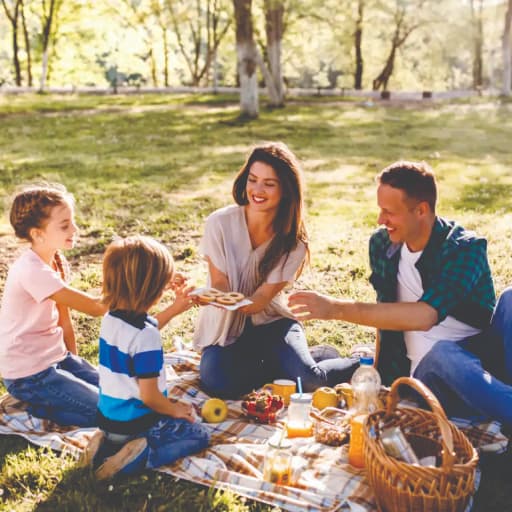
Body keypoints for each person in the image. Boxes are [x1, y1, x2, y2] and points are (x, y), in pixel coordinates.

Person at [289, 161, 512, 428]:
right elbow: (384, 313)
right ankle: (499, 404)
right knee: (443, 354)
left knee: (509, 298)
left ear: (421, 210)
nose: (381, 220)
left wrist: (335, 309)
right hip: (427, 379)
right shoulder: (382, 244)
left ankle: (498, 399)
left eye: (389, 212)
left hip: (479, 362)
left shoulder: (463, 249)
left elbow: (425, 315)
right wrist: (379, 376)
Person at [193, 142, 360, 399]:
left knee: (309, 380)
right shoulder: (220, 223)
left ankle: (360, 361)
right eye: (253, 180)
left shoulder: (294, 243)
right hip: (227, 328)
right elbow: (220, 282)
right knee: (218, 384)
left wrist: (235, 302)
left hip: (271, 323)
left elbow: (260, 301)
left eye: (269, 184)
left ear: (286, 190)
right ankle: (286, 363)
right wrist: (211, 296)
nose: (257, 190)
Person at [85, 235, 209, 480]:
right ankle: (139, 457)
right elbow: (150, 397)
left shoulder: (112, 318)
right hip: (138, 424)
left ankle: (105, 445)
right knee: (198, 435)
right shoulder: (147, 337)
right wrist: (175, 409)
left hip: (110, 421)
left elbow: (144, 330)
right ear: (153, 288)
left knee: (122, 431)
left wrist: (176, 308)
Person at [0, 184, 106, 427]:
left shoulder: (56, 261)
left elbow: (63, 319)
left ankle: (52, 398)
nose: (75, 229)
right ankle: (36, 407)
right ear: (38, 234)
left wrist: (74, 366)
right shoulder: (32, 270)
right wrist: (140, 278)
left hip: (56, 359)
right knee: (110, 415)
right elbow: (96, 307)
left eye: (73, 222)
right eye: (65, 225)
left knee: (121, 396)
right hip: (29, 375)